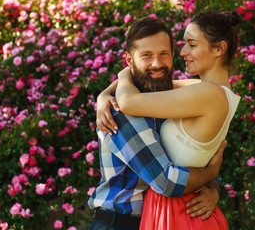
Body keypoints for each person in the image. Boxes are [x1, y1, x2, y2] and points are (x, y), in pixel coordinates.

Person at [88, 17, 227, 230]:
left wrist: (213, 188)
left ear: (172, 55)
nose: (157, 63)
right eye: (146, 55)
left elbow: (211, 89)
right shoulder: (120, 110)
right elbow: (167, 182)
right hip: (120, 224)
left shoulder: (167, 100)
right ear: (129, 59)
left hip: (158, 221)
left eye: (163, 54)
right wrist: (211, 172)